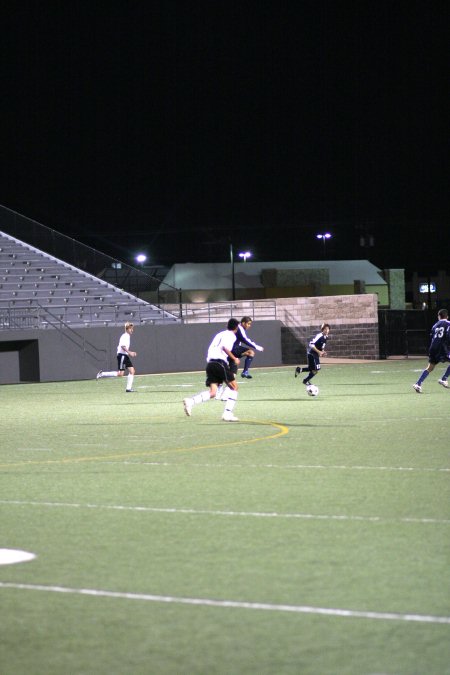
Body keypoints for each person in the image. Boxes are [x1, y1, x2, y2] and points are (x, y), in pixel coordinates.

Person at [183, 318, 241, 422]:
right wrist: (234, 358)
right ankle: (227, 414)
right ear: (237, 327)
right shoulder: (231, 335)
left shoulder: (219, 334)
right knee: (234, 387)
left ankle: (191, 401)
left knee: (213, 392)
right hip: (220, 363)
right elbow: (224, 347)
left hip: (210, 364)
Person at [413, 308, 450, 393]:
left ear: (439, 317)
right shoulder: (448, 324)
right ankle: (443, 379)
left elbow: (432, 336)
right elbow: (448, 335)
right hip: (442, 348)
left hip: (433, 348)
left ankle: (418, 384)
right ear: (447, 316)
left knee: (430, 367)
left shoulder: (435, 325)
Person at [96, 322, 137, 392]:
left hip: (125, 355)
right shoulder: (125, 336)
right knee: (120, 374)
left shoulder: (127, 336)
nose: (132, 330)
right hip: (122, 355)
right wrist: (130, 352)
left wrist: (128, 353)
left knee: (132, 371)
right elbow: (123, 346)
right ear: (127, 329)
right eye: (131, 329)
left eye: (132, 328)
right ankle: (102, 374)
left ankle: (128, 388)